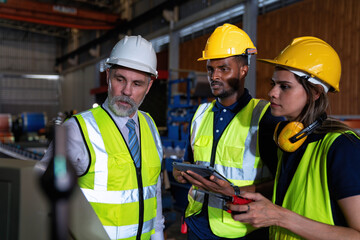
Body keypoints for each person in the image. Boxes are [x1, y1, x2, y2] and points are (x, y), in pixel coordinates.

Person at [226, 36, 360, 239]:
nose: (272, 92)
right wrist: (238, 191)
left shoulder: (342, 147)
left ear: (315, 92)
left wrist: (280, 217)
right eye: (273, 84)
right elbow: (296, 191)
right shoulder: (290, 138)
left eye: (284, 86)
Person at [41, 35, 164, 240]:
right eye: (120, 79)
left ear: (149, 86)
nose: (126, 91)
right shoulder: (77, 130)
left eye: (137, 84)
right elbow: (42, 196)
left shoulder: (149, 125)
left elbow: (154, 189)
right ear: (108, 76)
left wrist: (158, 235)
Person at [172, 23, 283, 239]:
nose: (214, 76)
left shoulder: (263, 117)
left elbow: (282, 183)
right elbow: (190, 163)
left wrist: (236, 192)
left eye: (224, 69)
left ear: (243, 70)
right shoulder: (201, 113)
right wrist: (182, 173)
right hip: (196, 225)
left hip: (240, 231)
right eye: (210, 69)